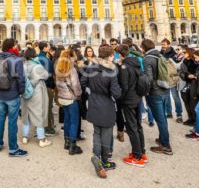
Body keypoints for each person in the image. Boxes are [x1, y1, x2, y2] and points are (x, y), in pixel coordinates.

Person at [81, 45, 122, 178]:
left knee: (97, 132)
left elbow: (83, 82)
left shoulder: (91, 66)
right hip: (106, 104)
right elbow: (116, 93)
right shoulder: (111, 70)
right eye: (112, 55)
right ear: (109, 56)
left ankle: (96, 157)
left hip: (93, 102)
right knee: (106, 133)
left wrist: (90, 91)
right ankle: (104, 161)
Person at [0, 38, 27, 157]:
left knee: (1, 119)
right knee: (12, 121)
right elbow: (20, 79)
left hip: (0, 93)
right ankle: (13, 148)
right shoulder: (16, 60)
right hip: (12, 94)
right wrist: (21, 91)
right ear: (12, 46)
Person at [117, 44, 148, 168]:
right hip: (137, 97)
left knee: (131, 127)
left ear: (120, 54)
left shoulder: (125, 66)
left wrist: (119, 98)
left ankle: (137, 156)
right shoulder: (135, 62)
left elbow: (124, 86)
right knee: (138, 126)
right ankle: (142, 152)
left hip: (128, 100)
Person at [142, 39, 173, 155]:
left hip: (155, 93)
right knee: (163, 118)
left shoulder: (147, 59)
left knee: (160, 120)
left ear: (144, 48)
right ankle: (162, 139)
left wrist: (144, 91)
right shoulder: (160, 55)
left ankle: (166, 146)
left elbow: (149, 79)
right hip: (165, 90)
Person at [21, 47, 52, 148]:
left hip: (26, 92)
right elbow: (46, 75)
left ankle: (25, 137)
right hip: (37, 92)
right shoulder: (37, 66)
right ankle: (41, 138)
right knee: (39, 114)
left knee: (26, 115)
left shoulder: (23, 65)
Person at [56, 48, 83, 156]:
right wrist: (79, 94)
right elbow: (75, 84)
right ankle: (72, 145)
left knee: (67, 120)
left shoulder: (59, 68)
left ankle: (66, 142)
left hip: (62, 97)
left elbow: (57, 84)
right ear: (71, 56)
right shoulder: (71, 68)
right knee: (74, 121)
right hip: (71, 97)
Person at [161, 38, 183, 123]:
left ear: (169, 45)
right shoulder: (160, 53)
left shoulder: (174, 54)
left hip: (173, 79)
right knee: (166, 98)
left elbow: (177, 67)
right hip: (165, 79)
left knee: (175, 97)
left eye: (164, 44)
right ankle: (169, 112)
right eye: (162, 44)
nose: (163, 46)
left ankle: (179, 114)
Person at [37, 41, 56, 136]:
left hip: (38, 86)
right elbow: (49, 75)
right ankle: (48, 128)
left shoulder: (37, 58)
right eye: (48, 46)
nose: (49, 48)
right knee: (48, 107)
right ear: (44, 48)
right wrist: (52, 86)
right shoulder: (45, 59)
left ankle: (42, 127)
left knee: (41, 108)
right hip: (46, 86)